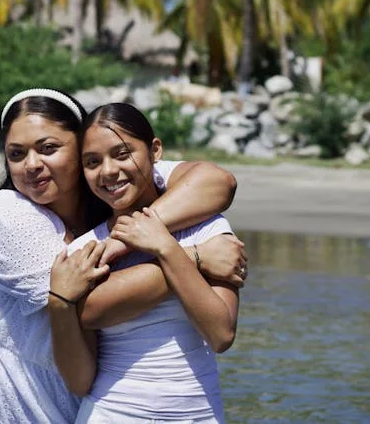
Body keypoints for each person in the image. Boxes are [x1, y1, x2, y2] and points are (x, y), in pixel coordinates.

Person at [0, 89, 247, 423]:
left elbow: (217, 181)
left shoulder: (111, 182)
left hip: (69, 396)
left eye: (48, 148)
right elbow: (91, 305)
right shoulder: (10, 212)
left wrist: (130, 237)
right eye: (16, 154)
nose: (33, 164)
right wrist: (193, 257)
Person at [49, 102, 243, 423]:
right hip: (113, 414)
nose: (108, 171)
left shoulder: (207, 226)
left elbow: (221, 334)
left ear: (155, 150)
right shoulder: (86, 250)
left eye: (122, 154)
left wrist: (164, 246)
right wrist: (194, 257)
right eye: (92, 162)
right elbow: (91, 315)